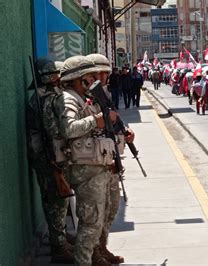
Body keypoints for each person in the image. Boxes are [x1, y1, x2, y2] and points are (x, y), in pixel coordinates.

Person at [58, 55, 118, 265]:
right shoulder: (68, 99)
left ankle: (95, 257)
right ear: (78, 79)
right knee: (89, 224)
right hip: (84, 170)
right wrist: (96, 120)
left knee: (95, 221)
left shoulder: (81, 98)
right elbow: (68, 129)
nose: (94, 80)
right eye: (89, 76)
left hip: (94, 167)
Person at [86, 54, 134, 264]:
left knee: (112, 206)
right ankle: (94, 251)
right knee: (95, 211)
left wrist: (126, 132)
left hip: (109, 157)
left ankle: (102, 246)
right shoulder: (86, 98)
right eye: (101, 72)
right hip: (95, 160)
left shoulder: (103, 93)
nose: (105, 76)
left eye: (106, 72)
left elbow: (114, 122)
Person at [26, 58, 73, 263]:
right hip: (47, 157)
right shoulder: (44, 98)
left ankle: (60, 237)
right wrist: (58, 157)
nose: (57, 77)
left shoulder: (44, 95)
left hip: (48, 154)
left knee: (59, 199)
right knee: (56, 201)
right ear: (47, 77)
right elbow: (52, 131)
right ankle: (58, 246)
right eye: (54, 74)